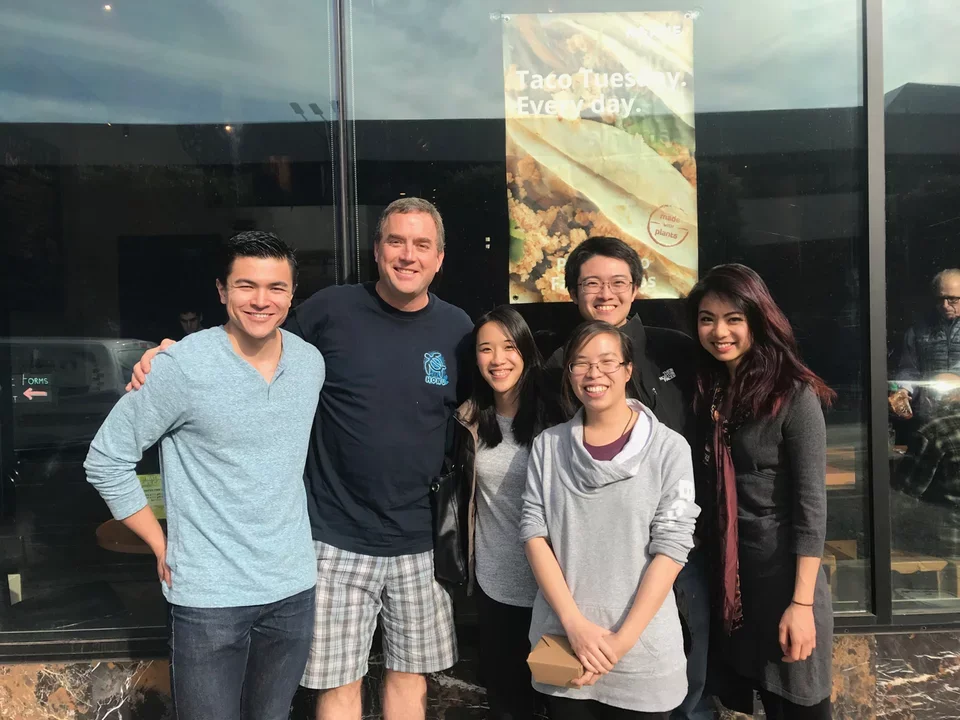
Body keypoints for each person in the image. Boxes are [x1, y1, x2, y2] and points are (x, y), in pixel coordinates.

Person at [127, 198, 472, 720]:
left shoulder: (457, 329)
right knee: (337, 684)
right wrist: (172, 355)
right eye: (396, 241)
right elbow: (252, 340)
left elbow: (482, 408)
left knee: (410, 680)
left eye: (421, 244)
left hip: (421, 542)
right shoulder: (331, 311)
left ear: (439, 257)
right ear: (377, 250)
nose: (408, 255)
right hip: (333, 537)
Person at [84, 232, 324, 720]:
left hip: (292, 591)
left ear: (292, 294)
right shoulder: (180, 367)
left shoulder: (309, 363)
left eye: (276, 287)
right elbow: (106, 459)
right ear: (221, 291)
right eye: (246, 285)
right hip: (209, 600)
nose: (261, 300)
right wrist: (158, 541)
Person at [545, 236, 711, 720]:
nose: (606, 293)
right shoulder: (559, 367)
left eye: (618, 282)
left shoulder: (676, 349)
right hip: (593, 564)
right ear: (574, 292)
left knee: (682, 679)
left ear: (636, 288)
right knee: (577, 686)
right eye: (591, 283)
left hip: (681, 549)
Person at [522, 320, 699, 720]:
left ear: (628, 370)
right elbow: (534, 534)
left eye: (606, 362)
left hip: (644, 653)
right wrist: (575, 626)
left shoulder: (669, 449)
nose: (593, 373)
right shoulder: (548, 447)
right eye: (581, 363)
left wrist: (619, 643)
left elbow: (672, 547)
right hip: (563, 646)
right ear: (568, 374)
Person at [689, 264, 834, 719]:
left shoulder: (793, 395)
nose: (719, 331)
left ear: (758, 318)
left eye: (734, 318)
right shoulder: (710, 390)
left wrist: (802, 603)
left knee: (799, 705)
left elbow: (812, 510)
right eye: (707, 318)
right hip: (734, 581)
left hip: (783, 580)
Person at [454, 305, 561, 720]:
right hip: (495, 587)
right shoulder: (469, 419)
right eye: (486, 349)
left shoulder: (559, 415)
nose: (497, 360)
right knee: (507, 703)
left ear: (526, 350)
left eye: (509, 347)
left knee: (561, 699)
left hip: (555, 591)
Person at [891, 269, 960, 424]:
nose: (945, 305)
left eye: (953, 299)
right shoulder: (919, 330)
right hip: (930, 412)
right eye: (940, 299)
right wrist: (903, 390)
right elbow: (909, 368)